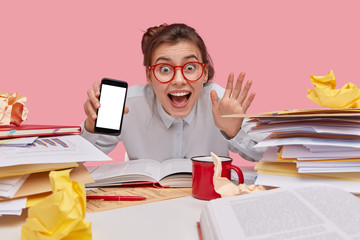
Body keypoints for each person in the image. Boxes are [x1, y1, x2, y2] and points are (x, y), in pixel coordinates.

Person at [81, 23, 266, 162]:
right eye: (165, 69)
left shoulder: (221, 103)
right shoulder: (126, 105)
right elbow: (73, 164)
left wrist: (234, 132)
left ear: (204, 74)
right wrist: (90, 128)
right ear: (150, 76)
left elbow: (271, 159)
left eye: (190, 67)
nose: (178, 80)